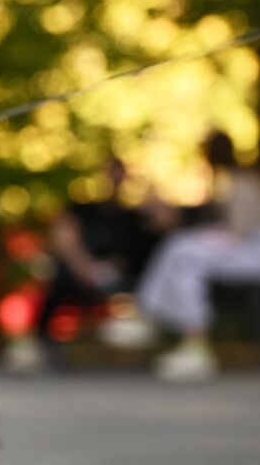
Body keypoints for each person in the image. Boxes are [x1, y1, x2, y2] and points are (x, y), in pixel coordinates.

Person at [137, 131, 260, 382]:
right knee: (185, 259)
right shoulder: (235, 179)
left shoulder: (244, 180)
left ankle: (155, 319)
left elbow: (242, 230)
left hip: (259, 256)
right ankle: (190, 340)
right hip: (247, 249)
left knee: (183, 249)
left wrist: (208, 236)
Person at [10, 157, 171, 371]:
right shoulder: (84, 209)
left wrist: (151, 189)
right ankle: (40, 343)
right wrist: (83, 266)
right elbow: (64, 235)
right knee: (60, 282)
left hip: (127, 277)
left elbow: (166, 224)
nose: (116, 179)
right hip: (82, 272)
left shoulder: (134, 216)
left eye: (121, 173)